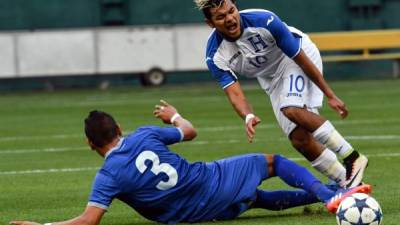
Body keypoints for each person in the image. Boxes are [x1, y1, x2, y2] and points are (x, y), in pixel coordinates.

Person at [10, 100, 371, 225]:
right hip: (208, 182)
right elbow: (190, 131)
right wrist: (173, 115)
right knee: (271, 161)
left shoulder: (108, 177)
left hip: (192, 214)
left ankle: (338, 190)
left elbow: (89, 221)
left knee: (253, 198)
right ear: (119, 128)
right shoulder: (144, 135)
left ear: (91, 144)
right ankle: (330, 196)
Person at [194, 0, 368, 188]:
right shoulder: (215, 55)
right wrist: (248, 116)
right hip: (271, 79)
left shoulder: (264, 20)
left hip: (296, 58)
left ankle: (353, 157)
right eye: (221, 17)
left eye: (231, 11)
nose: (229, 19)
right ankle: (349, 184)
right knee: (300, 140)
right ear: (210, 23)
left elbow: (300, 58)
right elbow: (235, 93)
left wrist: (330, 94)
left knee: (290, 109)